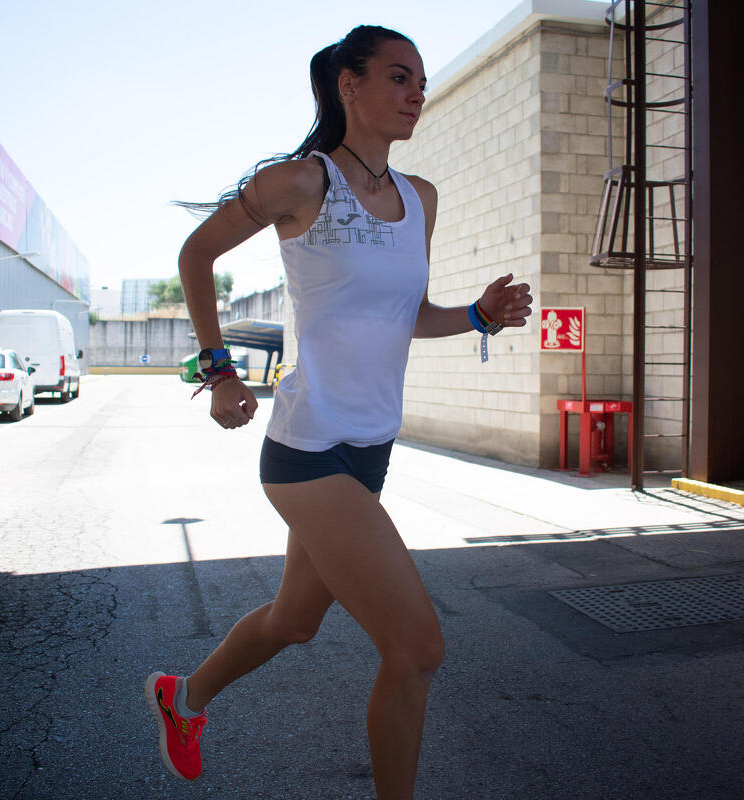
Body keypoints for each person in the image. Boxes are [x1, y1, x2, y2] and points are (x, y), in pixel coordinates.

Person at [144, 24, 533, 799]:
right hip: (309, 450)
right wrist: (218, 370)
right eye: (398, 76)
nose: (415, 91)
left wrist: (479, 316)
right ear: (347, 84)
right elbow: (196, 254)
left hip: (370, 451)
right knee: (417, 647)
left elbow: (409, 315)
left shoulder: (420, 198)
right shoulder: (304, 183)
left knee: (294, 621)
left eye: (419, 79)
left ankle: (181, 698)